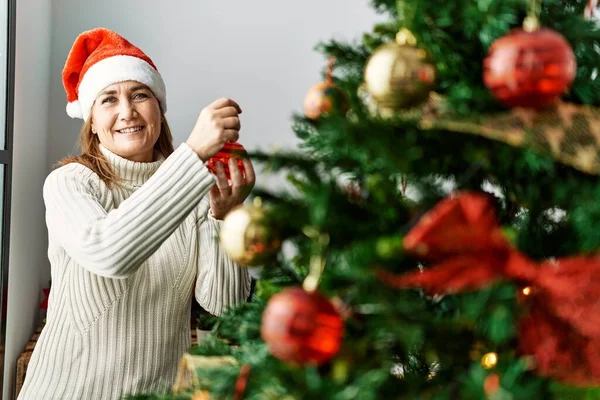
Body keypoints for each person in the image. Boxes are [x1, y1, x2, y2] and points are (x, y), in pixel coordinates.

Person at [18, 27, 254, 400]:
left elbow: (226, 306)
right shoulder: (71, 183)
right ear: (92, 121)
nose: (127, 111)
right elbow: (109, 253)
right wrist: (192, 154)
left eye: (140, 94)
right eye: (108, 99)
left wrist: (225, 217)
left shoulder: (192, 189)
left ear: (158, 108)